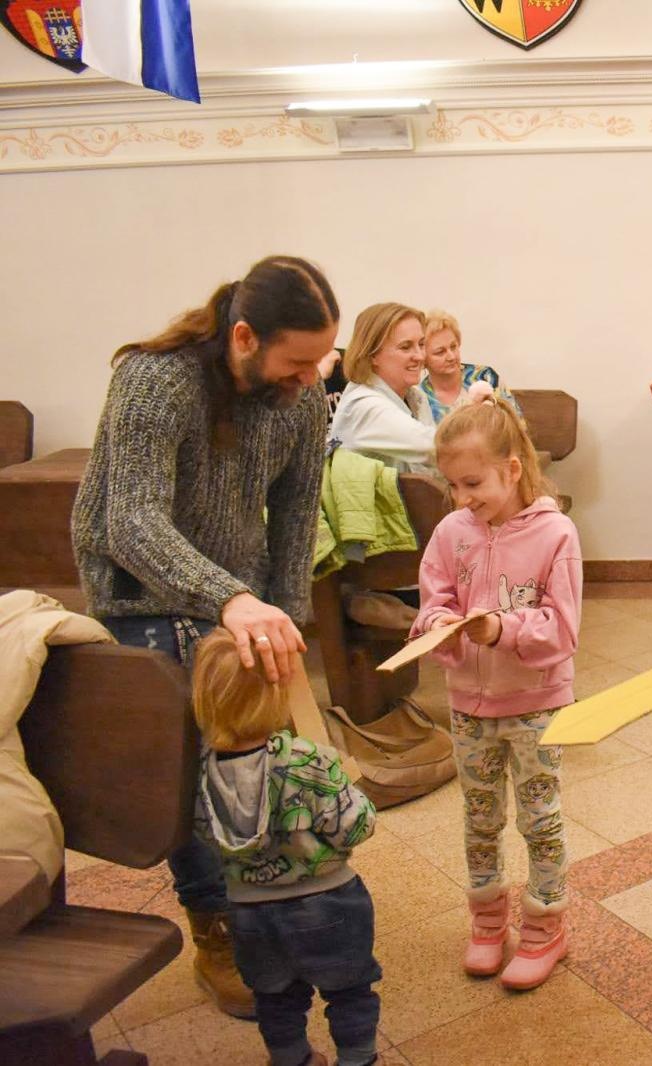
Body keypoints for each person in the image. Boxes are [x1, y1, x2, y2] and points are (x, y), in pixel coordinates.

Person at [71, 254, 338, 1018]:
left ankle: (271, 906)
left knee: (260, 760)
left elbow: (294, 520)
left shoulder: (300, 396)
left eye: (320, 359)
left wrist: (285, 621)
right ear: (245, 337)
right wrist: (230, 600)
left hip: (237, 596)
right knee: (197, 775)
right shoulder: (154, 380)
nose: (309, 377)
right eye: (297, 361)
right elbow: (131, 525)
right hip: (141, 595)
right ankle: (215, 925)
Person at [413, 392, 581, 990]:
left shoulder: (556, 534)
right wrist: (437, 625)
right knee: (479, 819)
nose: (462, 499)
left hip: (537, 705)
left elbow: (561, 630)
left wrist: (501, 629)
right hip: (468, 706)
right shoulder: (450, 532)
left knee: (540, 819)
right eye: (453, 486)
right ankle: (488, 925)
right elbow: (433, 600)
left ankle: (545, 926)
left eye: (473, 482)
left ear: (513, 469)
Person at [189, 631, 381, 1066]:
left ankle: (293, 1058)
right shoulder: (307, 759)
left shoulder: (199, 775)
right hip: (329, 904)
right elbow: (356, 828)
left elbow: (202, 834)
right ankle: (358, 1059)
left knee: (274, 998)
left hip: (247, 909)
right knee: (350, 991)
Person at [327, 303, 437, 473]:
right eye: (406, 347)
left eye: (421, 344)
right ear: (372, 355)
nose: (420, 356)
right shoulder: (364, 406)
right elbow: (436, 449)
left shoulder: (415, 397)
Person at [418, 310, 522, 423]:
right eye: (440, 352)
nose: (451, 356)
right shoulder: (419, 398)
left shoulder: (485, 377)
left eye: (453, 347)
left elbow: (517, 425)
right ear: (423, 358)